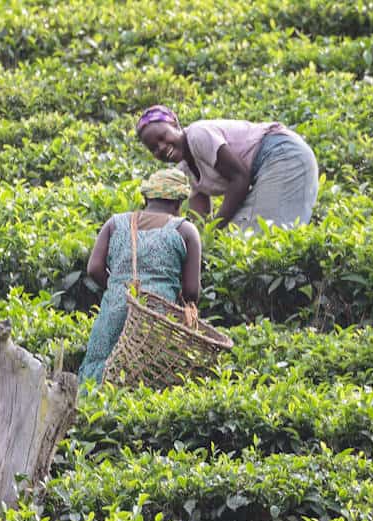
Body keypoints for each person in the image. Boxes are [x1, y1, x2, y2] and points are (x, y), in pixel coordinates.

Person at [78, 167, 202, 384]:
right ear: (178, 203)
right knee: (147, 377)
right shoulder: (185, 230)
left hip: (115, 306)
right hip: (157, 316)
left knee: (98, 372)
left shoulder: (115, 223)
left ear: (146, 198)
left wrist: (118, 287)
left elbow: (94, 269)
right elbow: (192, 291)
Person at [135, 105, 318, 234]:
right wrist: (200, 237)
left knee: (263, 233)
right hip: (271, 165)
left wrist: (216, 227)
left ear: (175, 125)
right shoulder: (185, 171)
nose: (161, 147)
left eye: (163, 136)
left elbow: (240, 178)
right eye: (154, 148)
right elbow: (201, 220)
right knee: (237, 232)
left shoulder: (198, 135)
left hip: (283, 155)